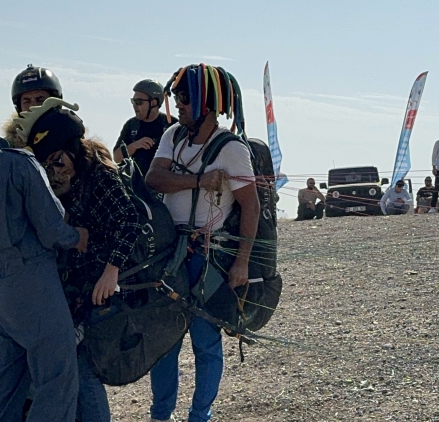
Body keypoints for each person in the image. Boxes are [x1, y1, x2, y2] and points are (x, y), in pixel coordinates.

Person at [0, 90, 88, 422]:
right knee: (56, 382)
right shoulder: (20, 164)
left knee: (2, 387)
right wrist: (76, 237)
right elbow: (52, 229)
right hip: (36, 286)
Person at [145, 64, 260, 422]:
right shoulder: (173, 136)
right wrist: (199, 181)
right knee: (164, 341)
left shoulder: (232, 149)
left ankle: (200, 416)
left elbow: (251, 206)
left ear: (206, 105)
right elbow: (153, 179)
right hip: (169, 253)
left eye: (184, 98)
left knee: (205, 341)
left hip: (208, 256)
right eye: (177, 97)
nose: (178, 105)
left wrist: (242, 262)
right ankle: (160, 415)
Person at [18, 98, 141, 422]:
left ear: (73, 149)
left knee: (84, 369)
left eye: (57, 161)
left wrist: (111, 272)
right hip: (75, 291)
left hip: (100, 290)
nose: (54, 171)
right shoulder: (67, 183)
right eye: (47, 165)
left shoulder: (100, 177)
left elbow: (130, 221)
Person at [113, 79, 178, 176]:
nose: (134, 105)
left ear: (154, 103)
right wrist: (135, 145)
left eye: (139, 102)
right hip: (136, 184)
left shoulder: (172, 125)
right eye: (133, 101)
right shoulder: (131, 125)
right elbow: (117, 158)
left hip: (163, 182)